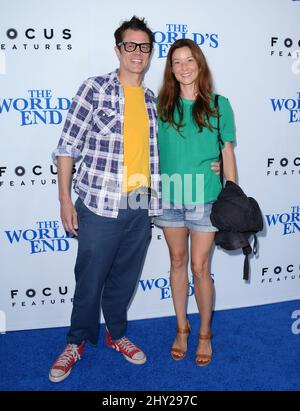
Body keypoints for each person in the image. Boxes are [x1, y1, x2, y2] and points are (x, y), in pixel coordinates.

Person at [49, 16, 162, 383]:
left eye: (144, 46)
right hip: (98, 204)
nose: (137, 53)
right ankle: (76, 341)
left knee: (124, 279)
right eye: (130, 45)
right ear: (118, 50)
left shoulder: (150, 99)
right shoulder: (94, 89)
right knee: (90, 279)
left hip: (139, 204)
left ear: (149, 52)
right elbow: (67, 147)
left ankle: (116, 334)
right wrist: (66, 201)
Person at [153, 39, 236, 366]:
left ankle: (204, 332)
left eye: (189, 60)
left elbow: (227, 150)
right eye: (176, 62)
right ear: (170, 69)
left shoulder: (219, 104)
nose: (184, 67)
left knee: (200, 267)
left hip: (205, 197)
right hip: (170, 196)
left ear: (199, 64)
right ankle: (181, 328)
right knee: (176, 263)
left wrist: (232, 192)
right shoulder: (161, 104)